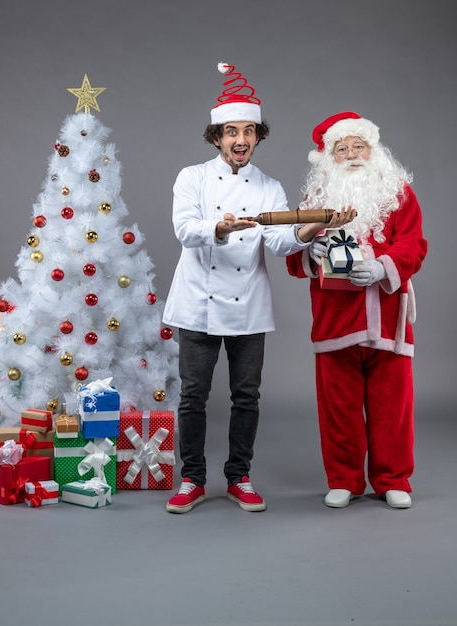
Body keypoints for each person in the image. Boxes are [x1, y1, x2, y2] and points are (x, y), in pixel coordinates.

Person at [162, 64, 354, 514]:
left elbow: (281, 241)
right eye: (231, 132)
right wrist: (221, 228)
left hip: (248, 303)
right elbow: (185, 230)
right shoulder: (191, 177)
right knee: (193, 397)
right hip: (197, 304)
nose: (241, 140)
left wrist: (315, 226)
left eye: (249, 131)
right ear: (216, 137)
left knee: (246, 396)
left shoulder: (269, 187)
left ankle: (239, 477)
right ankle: (191, 479)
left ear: (258, 136)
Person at [286, 111, 428, 509]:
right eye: (341, 148)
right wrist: (309, 253)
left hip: (388, 319)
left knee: (392, 407)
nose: (351, 154)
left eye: (358, 146)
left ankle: (392, 479)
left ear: (372, 150)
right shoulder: (316, 200)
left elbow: (414, 243)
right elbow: (293, 260)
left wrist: (384, 266)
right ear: (329, 157)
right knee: (338, 408)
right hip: (336, 320)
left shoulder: (398, 192)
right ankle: (345, 479)